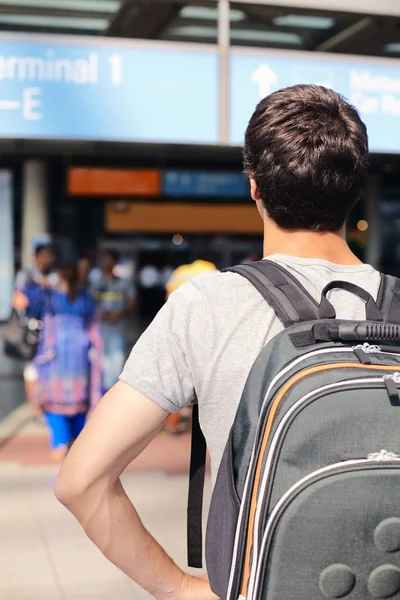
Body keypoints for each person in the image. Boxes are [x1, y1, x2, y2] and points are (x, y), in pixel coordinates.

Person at [55, 85, 377, 598]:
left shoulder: (206, 306)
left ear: (254, 187)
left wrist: (180, 588)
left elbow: (81, 480)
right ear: (353, 189)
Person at [24, 263, 103, 462]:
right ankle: (76, 441)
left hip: (55, 355)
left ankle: (60, 443)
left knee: (53, 400)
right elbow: (94, 324)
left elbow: (27, 298)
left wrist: (39, 279)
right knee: (79, 399)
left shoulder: (49, 296)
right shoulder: (85, 297)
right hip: (80, 354)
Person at [164, 257, 217, 434]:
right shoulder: (211, 270)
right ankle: (200, 428)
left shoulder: (179, 272)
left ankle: (173, 423)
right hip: (203, 333)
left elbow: (168, 300)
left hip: (180, 331)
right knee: (202, 380)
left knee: (177, 378)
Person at [12, 244, 56, 412]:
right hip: (30, 328)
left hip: (50, 329)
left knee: (50, 367)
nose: (47, 260)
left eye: (50, 256)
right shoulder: (26, 276)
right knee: (31, 369)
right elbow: (18, 300)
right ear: (35, 257)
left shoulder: (54, 276)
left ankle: (49, 404)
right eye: (44, 255)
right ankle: (35, 407)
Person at [91, 249, 136, 391]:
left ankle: (112, 394)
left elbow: (134, 303)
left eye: (109, 259)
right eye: (104, 259)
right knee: (99, 363)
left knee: (116, 364)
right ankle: (99, 395)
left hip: (117, 329)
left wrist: (120, 314)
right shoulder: (95, 283)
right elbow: (89, 302)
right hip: (99, 329)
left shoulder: (124, 283)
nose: (106, 263)